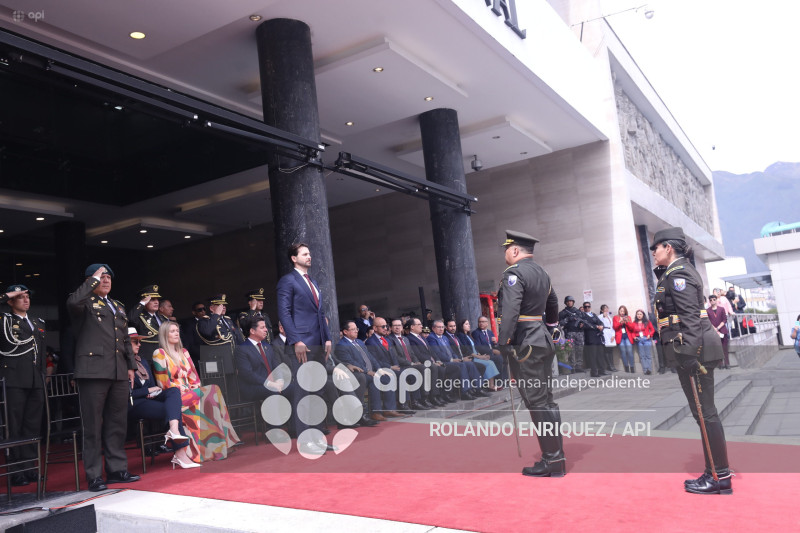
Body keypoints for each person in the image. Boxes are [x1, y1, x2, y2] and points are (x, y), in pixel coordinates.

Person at [651, 227, 730, 494]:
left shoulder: (680, 274)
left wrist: (688, 355)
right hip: (692, 349)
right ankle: (714, 472)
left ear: (668, 248)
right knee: (702, 414)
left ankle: (719, 476)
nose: (653, 253)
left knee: (705, 413)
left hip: (694, 351)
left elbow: (690, 319)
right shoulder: (674, 272)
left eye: (656, 248)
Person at [66, 264, 140, 492]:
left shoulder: (117, 305)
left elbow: (125, 339)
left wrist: (130, 366)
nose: (105, 280)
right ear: (90, 280)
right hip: (93, 371)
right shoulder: (83, 301)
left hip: (118, 371)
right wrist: (92, 281)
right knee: (93, 425)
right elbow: (72, 303)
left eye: (108, 276)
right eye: (100, 277)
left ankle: (117, 469)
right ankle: (94, 475)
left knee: (117, 423)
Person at [497, 230, 564, 477]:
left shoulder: (514, 273)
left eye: (506, 249)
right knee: (546, 400)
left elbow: (511, 310)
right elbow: (553, 303)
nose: (505, 253)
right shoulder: (542, 273)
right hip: (542, 339)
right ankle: (557, 457)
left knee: (537, 403)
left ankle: (552, 460)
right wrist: (551, 328)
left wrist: (503, 342)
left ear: (515, 250)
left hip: (525, 342)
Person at [152, 322, 240, 462]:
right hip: (176, 397)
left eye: (177, 330)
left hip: (190, 393)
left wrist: (194, 386)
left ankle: (218, 446)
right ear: (164, 334)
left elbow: (194, 377)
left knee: (212, 392)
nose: (176, 333)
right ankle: (219, 446)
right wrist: (183, 388)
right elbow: (163, 383)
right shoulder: (160, 353)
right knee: (212, 391)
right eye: (172, 331)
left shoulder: (184, 352)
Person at [126, 327, 197, 469]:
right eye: (135, 342)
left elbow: (155, 387)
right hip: (135, 403)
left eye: (139, 342)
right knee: (171, 410)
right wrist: (147, 390)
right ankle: (180, 454)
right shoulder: (122, 364)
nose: (139, 345)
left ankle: (174, 430)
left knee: (173, 392)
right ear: (125, 344)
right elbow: (127, 394)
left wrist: (152, 391)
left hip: (149, 399)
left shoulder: (143, 361)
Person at [0, 284, 46, 486]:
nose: (26, 300)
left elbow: (42, 352)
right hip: (14, 379)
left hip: (35, 379)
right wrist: (9, 294)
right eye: (20, 297)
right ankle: (15, 471)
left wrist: (43, 375)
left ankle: (29, 467)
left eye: (27, 296)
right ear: (10, 301)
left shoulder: (37, 321)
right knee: (14, 426)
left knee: (32, 426)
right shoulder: (5, 320)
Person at [276, 243, 331, 365]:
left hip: (319, 344)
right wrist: (296, 341)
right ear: (294, 258)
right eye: (305, 254)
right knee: (304, 382)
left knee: (320, 382)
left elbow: (320, 312)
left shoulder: (313, 282)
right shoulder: (287, 280)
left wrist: (327, 338)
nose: (309, 256)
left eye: (309, 254)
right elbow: (284, 312)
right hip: (302, 344)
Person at [456, 318, 502, 391]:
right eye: (466, 324)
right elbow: (467, 350)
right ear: (462, 326)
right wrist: (480, 357)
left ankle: (492, 385)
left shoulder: (468, 335)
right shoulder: (461, 336)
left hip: (477, 355)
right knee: (489, 363)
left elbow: (475, 348)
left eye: (469, 324)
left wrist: (481, 355)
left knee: (493, 360)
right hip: (472, 357)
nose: (469, 325)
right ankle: (490, 386)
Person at [129, 285, 167, 366]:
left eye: (157, 299)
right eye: (152, 300)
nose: (156, 302)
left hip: (164, 357)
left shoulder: (162, 318)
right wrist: (142, 303)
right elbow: (131, 319)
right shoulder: (140, 317)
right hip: (148, 358)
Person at [558, 296, 585, 373]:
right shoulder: (563, 312)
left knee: (579, 349)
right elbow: (560, 323)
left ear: (573, 302)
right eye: (568, 301)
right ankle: (572, 367)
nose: (570, 302)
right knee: (571, 350)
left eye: (571, 301)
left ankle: (579, 366)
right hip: (569, 332)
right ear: (566, 303)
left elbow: (583, 319)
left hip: (579, 332)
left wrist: (582, 323)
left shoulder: (578, 311)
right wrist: (568, 319)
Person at [580, 302, 606, 377]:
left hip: (597, 337)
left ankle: (602, 370)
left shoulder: (593, 314)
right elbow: (584, 325)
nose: (587, 308)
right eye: (585, 307)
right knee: (593, 356)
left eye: (588, 306)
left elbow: (600, 322)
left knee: (600, 354)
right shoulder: (582, 315)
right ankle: (594, 372)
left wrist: (601, 325)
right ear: (584, 308)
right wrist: (597, 327)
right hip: (590, 337)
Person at [707, 294, 730, 369]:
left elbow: (724, 319)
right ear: (709, 301)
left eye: (714, 299)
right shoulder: (708, 310)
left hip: (723, 330)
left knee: (725, 348)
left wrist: (718, 327)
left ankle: (727, 363)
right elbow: (708, 321)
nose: (712, 301)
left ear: (716, 300)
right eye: (711, 300)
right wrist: (715, 329)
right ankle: (720, 364)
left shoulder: (721, 309)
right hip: (714, 332)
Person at [629, 310, 655, 375]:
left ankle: (649, 369)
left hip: (646, 339)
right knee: (642, 356)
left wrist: (649, 334)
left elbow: (652, 330)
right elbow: (632, 332)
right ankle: (645, 370)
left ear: (643, 315)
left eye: (640, 314)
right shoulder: (634, 323)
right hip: (639, 340)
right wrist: (634, 337)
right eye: (638, 314)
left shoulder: (647, 322)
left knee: (648, 355)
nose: (639, 315)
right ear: (636, 315)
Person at [613, 306, 635, 373]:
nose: (622, 312)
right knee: (623, 352)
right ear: (619, 311)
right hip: (620, 337)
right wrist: (620, 322)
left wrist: (627, 322)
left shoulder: (628, 317)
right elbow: (615, 327)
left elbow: (632, 328)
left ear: (625, 312)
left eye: (623, 311)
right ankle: (626, 367)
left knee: (630, 352)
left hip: (627, 336)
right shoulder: (615, 317)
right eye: (621, 311)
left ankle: (632, 367)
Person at [598, 305, 618, 373]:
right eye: (605, 309)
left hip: (610, 332)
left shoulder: (609, 317)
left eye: (607, 308)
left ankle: (612, 365)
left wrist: (613, 335)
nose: (606, 310)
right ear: (602, 310)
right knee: (606, 350)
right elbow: (600, 322)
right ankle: (609, 366)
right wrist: (603, 315)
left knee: (611, 350)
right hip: (605, 332)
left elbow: (612, 327)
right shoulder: (600, 316)